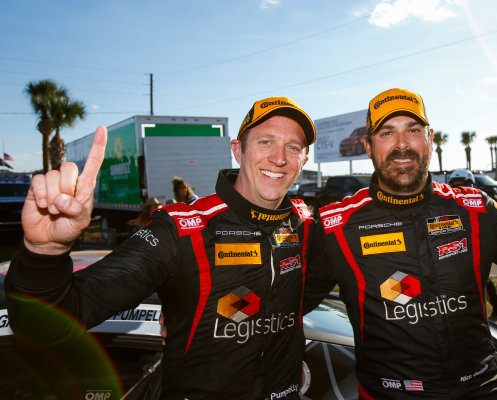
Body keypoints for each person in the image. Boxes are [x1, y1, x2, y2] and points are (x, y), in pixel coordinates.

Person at [5, 96, 317, 399]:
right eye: (266, 142)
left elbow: (318, 290)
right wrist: (43, 251)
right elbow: (48, 324)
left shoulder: (305, 223)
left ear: (303, 160)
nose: (279, 158)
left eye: (293, 147)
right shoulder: (181, 228)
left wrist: (291, 367)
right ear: (238, 150)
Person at [304, 88, 497, 399]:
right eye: (387, 132)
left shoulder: (475, 208)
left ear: (430, 138)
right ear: (368, 146)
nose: (402, 144)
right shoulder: (335, 226)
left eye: (413, 130)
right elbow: (288, 305)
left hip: (486, 390)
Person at [448, 169, 497, 320]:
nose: (459, 189)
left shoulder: (483, 203)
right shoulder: (447, 204)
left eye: (462, 185)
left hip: (476, 252)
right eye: (455, 186)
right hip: (457, 253)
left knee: (481, 280)